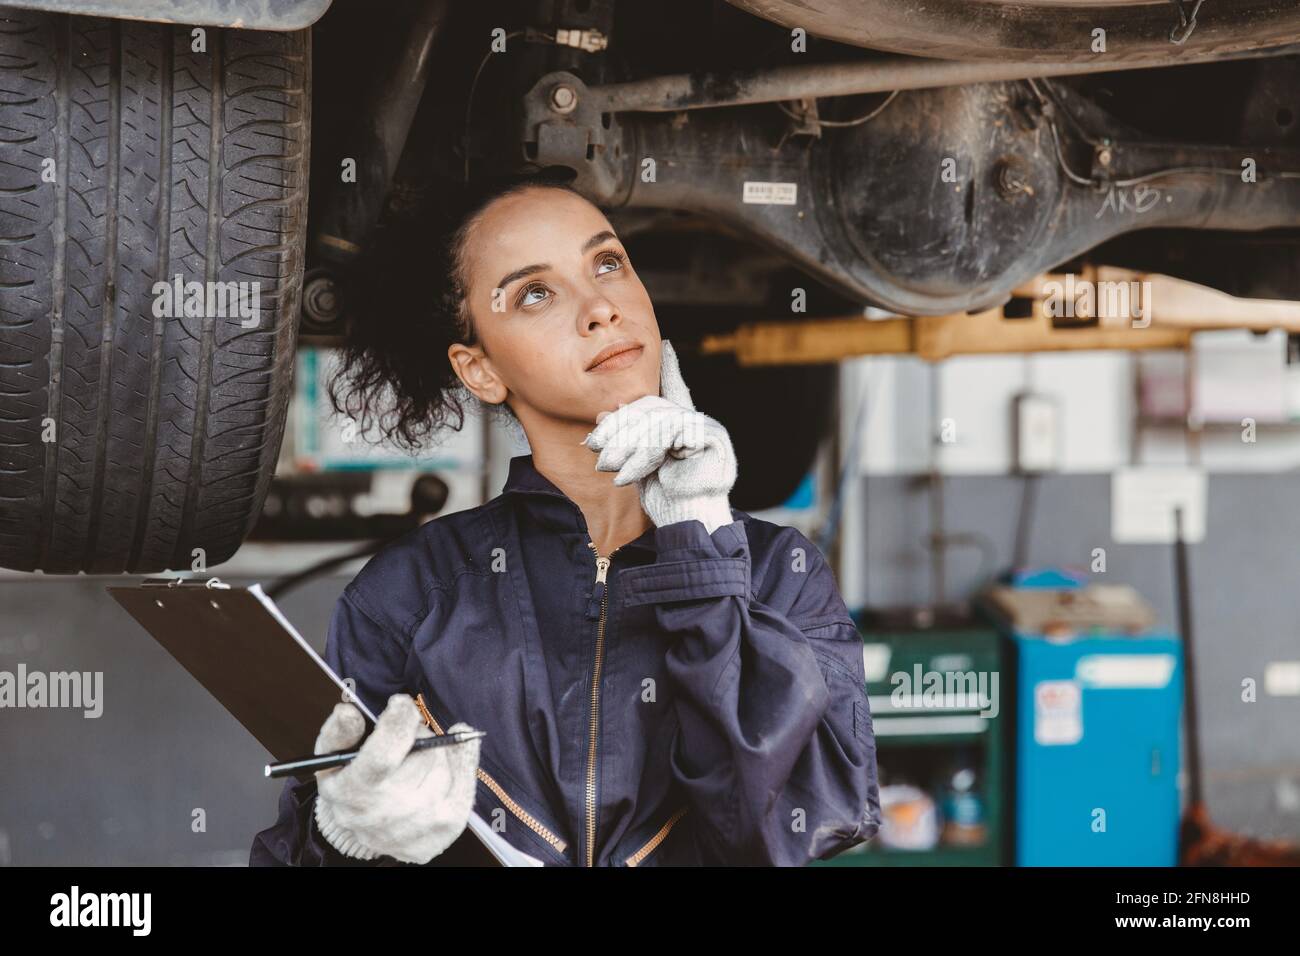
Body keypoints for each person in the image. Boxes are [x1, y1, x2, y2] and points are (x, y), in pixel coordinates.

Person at [248, 173, 881, 867]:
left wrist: (699, 546)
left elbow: (792, 827)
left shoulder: (780, 577)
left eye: (607, 264)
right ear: (480, 369)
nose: (601, 307)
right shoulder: (408, 594)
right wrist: (344, 840)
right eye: (535, 294)